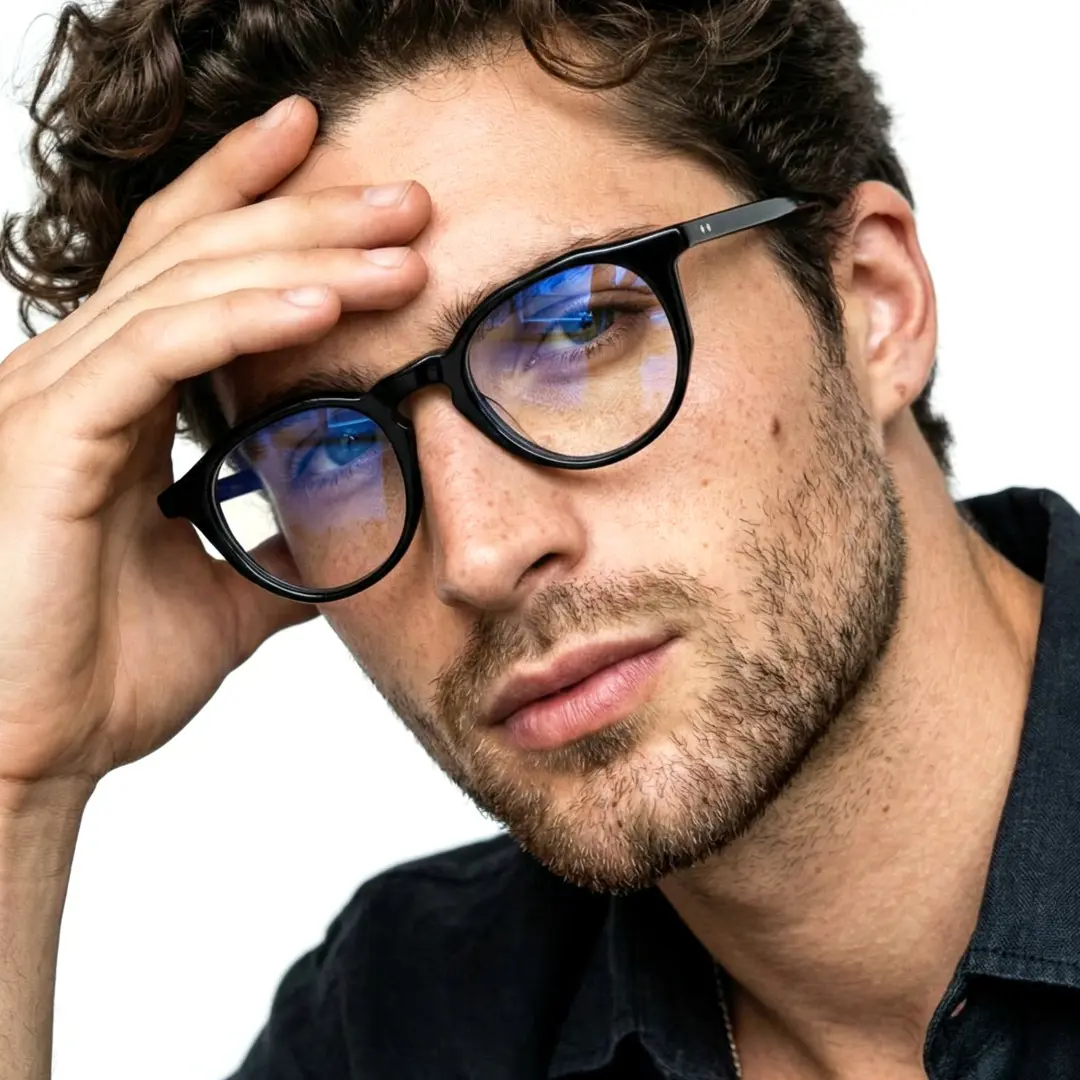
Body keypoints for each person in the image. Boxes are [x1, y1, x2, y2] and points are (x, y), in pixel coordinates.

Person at [0, 0, 1075, 1077]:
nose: (479, 554)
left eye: (575, 327)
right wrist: (16, 776)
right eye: (330, 448)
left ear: (874, 304)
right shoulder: (396, 1027)